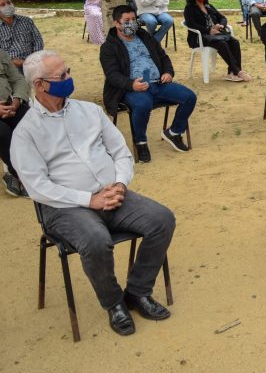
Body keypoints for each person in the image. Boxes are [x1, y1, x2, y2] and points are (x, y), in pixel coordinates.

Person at [11, 50, 176, 336]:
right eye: (61, 76)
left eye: (68, 71)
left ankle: (137, 291)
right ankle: (113, 303)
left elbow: (121, 153)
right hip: (64, 207)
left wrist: (120, 183)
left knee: (162, 219)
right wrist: (89, 200)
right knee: (96, 240)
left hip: (111, 193)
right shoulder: (25, 132)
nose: (69, 79)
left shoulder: (90, 111)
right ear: (39, 84)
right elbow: (37, 186)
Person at [100, 5, 196, 163]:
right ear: (117, 24)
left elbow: (163, 56)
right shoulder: (109, 47)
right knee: (143, 104)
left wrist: (168, 72)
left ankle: (174, 132)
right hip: (132, 89)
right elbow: (112, 75)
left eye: (134, 19)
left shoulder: (145, 37)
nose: (132, 23)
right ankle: (141, 143)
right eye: (127, 20)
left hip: (159, 83)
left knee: (189, 97)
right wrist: (131, 85)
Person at [183, 0, 252, 82]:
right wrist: (208, 30)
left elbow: (222, 18)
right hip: (200, 37)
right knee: (222, 44)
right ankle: (238, 71)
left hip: (216, 34)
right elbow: (191, 24)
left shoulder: (208, 6)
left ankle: (231, 73)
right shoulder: (189, 8)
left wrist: (221, 25)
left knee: (234, 42)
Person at [0, 48, 29, 197]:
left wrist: (17, 99)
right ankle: (18, 175)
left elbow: (17, 79)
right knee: (3, 132)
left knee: (32, 120)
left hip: (10, 105)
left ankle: (40, 168)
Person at [0, 0, 44, 71]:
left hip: (33, 61)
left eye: (9, 2)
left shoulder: (26, 21)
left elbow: (38, 40)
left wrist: (35, 57)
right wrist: (12, 61)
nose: (8, 6)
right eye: (3, 5)